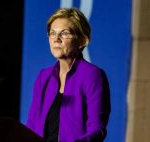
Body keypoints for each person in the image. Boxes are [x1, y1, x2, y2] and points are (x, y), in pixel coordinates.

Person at [26, 8, 111, 142]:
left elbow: (97, 128)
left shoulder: (93, 75)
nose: (56, 39)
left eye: (64, 33)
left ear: (82, 40)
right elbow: (31, 125)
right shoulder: (44, 77)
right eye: (52, 33)